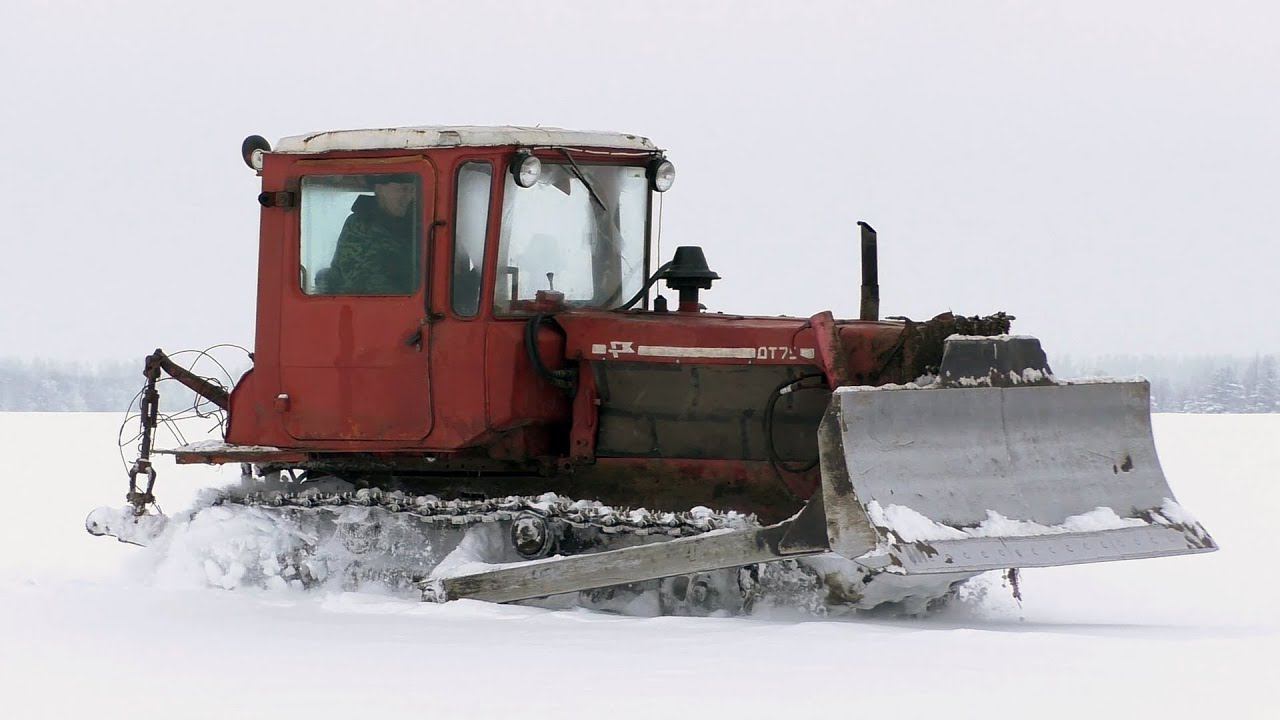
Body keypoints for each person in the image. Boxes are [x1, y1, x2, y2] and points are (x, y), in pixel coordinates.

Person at [328, 175, 418, 294]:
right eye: (403, 189)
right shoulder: (360, 226)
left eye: (412, 190)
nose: (409, 197)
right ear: (379, 189)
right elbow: (366, 281)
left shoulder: (414, 224)